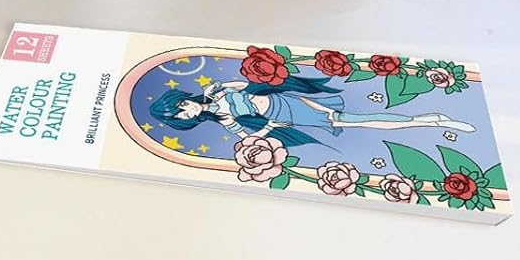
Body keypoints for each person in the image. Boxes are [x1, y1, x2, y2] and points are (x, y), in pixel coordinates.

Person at [150, 79, 477, 147]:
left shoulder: (217, 91)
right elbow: (250, 138)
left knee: (351, 119)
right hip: (286, 115)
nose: (186, 112)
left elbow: (248, 84)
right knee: (356, 121)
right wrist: (270, 127)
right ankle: (426, 121)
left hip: (286, 100)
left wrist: (239, 89)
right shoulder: (223, 118)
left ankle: (426, 120)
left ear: (182, 98)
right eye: (181, 117)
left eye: (181, 107)